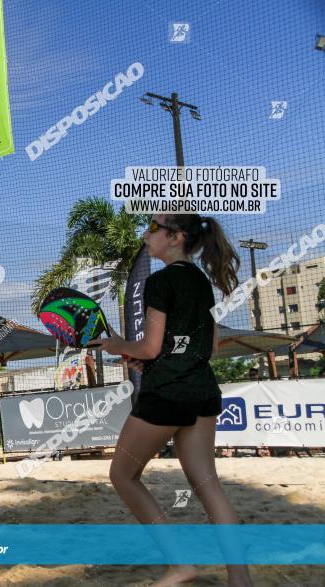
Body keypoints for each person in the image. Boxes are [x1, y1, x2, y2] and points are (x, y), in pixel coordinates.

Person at [89, 214, 253, 586]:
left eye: (152, 228)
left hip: (167, 397)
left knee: (122, 474)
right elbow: (207, 348)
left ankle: (180, 564)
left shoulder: (160, 281)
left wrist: (119, 346)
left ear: (175, 237)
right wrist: (156, 361)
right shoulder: (200, 281)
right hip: (202, 392)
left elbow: (149, 346)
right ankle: (240, 579)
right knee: (208, 486)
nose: (146, 234)